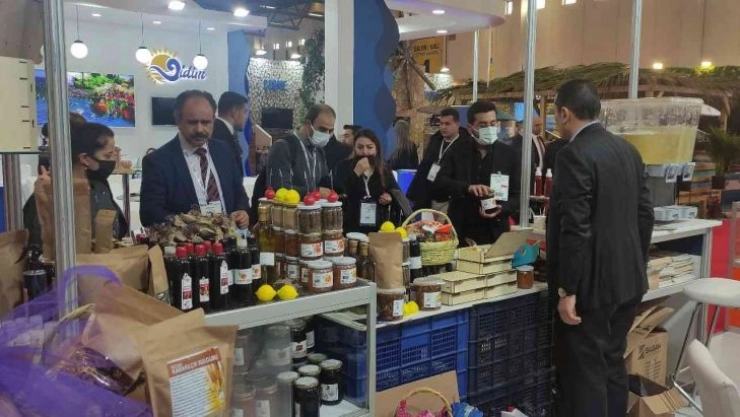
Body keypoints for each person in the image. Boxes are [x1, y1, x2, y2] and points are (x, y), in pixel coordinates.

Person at [546, 80, 654, 417]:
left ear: (565, 113)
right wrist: (637, 263)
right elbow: (645, 215)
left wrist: (568, 289)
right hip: (628, 280)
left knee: (587, 373)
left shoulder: (573, 154)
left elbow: (575, 227)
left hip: (591, 288)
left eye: (555, 114)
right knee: (612, 362)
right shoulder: (628, 150)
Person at [140, 90, 250, 228]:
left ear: (213, 120)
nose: (199, 129)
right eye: (192, 122)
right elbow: (150, 214)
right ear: (178, 120)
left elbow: (239, 193)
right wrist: (192, 225)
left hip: (228, 237)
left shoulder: (225, 151)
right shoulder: (158, 161)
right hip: (187, 239)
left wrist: (242, 210)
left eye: (206, 122)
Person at [25, 122, 129, 247]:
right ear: (84, 158)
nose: (112, 161)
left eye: (113, 154)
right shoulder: (55, 192)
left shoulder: (99, 186)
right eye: (107, 156)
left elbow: (117, 229)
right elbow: (41, 242)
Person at [434, 101, 521, 246]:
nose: (489, 128)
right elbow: (440, 182)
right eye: (483, 125)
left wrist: (502, 209)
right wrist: (467, 188)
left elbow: (517, 195)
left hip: (496, 231)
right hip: (462, 231)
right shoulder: (457, 151)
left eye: (493, 123)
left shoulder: (509, 154)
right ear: (470, 128)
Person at [251, 104, 335, 207]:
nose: (326, 135)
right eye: (322, 130)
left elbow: (324, 182)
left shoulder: (319, 150)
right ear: (308, 124)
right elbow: (280, 189)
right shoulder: (283, 147)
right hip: (284, 213)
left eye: (330, 131)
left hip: (310, 212)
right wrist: (315, 191)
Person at [328, 129, 401, 234]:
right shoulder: (343, 166)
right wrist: (356, 172)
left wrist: (389, 197)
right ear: (354, 148)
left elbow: (396, 192)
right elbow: (338, 192)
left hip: (378, 227)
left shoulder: (384, 169)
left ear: (376, 149)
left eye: (369, 147)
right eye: (360, 147)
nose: (365, 152)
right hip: (350, 225)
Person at [407, 107, 470, 211]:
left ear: (457, 124)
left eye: (447, 124)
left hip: (452, 200)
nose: (443, 127)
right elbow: (424, 168)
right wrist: (413, 194)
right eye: (441, 123)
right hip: (429, 196)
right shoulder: (435, 141)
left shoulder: (466, 145)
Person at [213, 92, 249, 176]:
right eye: (245, 112)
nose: (246, 117)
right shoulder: (221, 138)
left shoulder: (220, 131)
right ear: (234, 112)